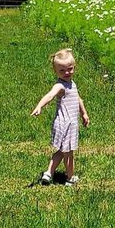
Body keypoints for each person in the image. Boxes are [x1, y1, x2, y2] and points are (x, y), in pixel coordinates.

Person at [31, 48, 89, 185]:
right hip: (66, 124)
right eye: (62, 70)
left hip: (69, 123)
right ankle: (70, 178)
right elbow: (50, 95)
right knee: (69, 154)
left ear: (74, 67)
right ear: (55, 71)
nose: (67, 73)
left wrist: (84, 113)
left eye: (69, 69)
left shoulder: (72, 84)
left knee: (61, 151)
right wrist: (40, 106)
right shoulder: (60, 85)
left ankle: (48, 173)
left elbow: (78, 99)